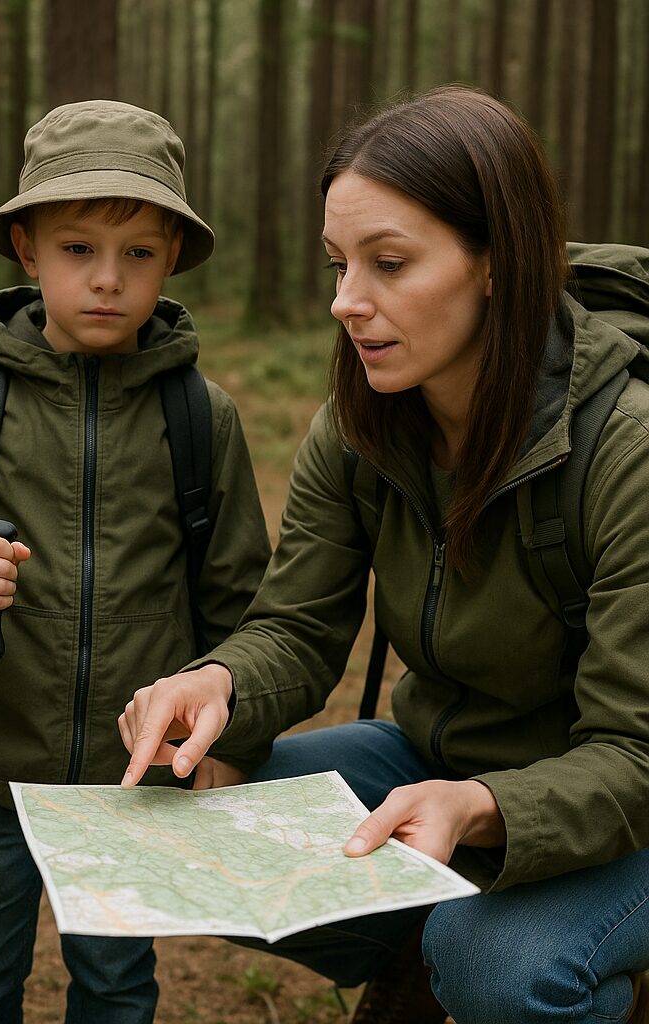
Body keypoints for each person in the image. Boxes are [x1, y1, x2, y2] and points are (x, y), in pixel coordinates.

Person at [118, 85, 649, 1024]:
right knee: (184, 823)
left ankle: (504, 960)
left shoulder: (626, 450)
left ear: (497, 263)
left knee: (499, 965)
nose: (345, 304)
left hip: (616, 796)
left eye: (390, 264)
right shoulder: (361, 425)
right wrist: (218, 686)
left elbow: (634, 751)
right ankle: (420, 956)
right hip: (437, 756)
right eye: (337, 264)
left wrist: (481, 806)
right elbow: (296, 624)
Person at [0, 99, 271, 1023]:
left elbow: (243, 604)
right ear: (27, 250)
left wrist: (227, 742)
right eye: (78, 249)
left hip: (134, 780)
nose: (107, 280)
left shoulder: (201, 418)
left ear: (171, 260)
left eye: (138, 254)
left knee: (120, 989)